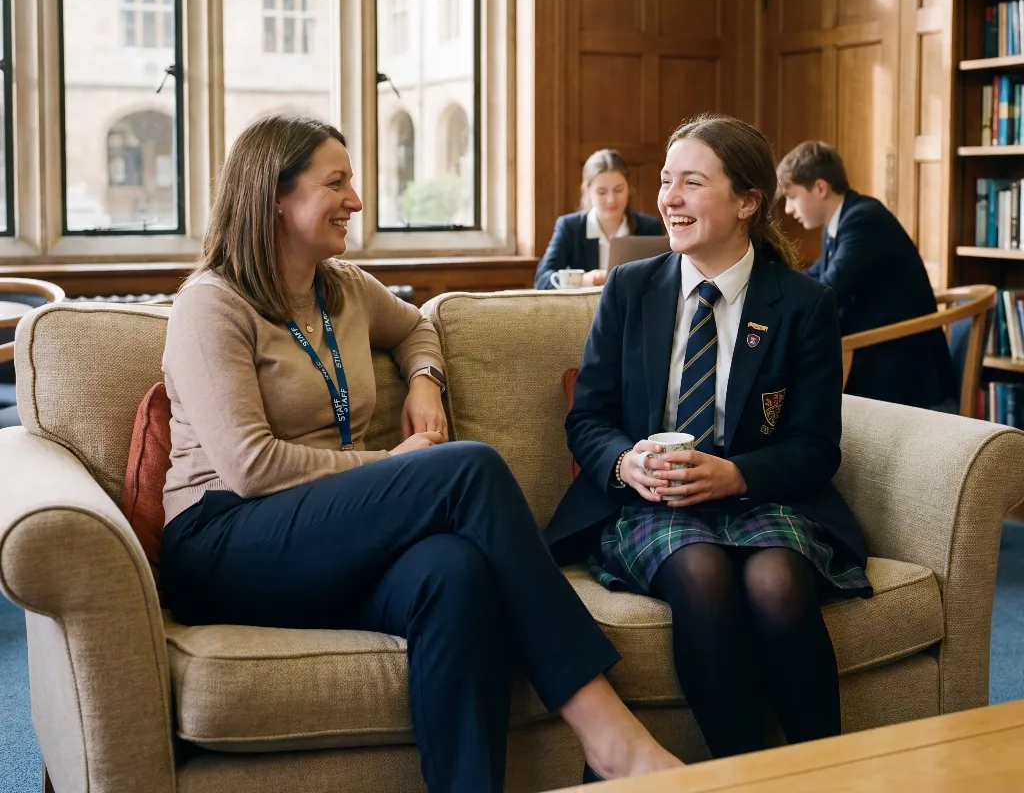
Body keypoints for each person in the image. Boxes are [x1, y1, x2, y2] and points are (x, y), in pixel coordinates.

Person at [158, 113, 680, 793]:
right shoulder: (212, 306)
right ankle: (609, 736)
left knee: (454, 570)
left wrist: (427, 382)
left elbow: (419, 327)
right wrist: (399, 465)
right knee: (468, 468)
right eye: (337, 183)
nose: (357, 200)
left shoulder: (340, 286)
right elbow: (250, 466)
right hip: (225, 535)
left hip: (324, 534)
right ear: (276, 197)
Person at [545, 115, 872, 761]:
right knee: (701, 572)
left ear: (748, 202)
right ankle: (738, 772)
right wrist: (625, 464)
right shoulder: (630, 291)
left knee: (777, 581)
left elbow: (814, 447)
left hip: (759, 499)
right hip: (652, 506)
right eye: (667, 181)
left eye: (692, 183)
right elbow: (588, 420)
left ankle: (826, 771)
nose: (668, 197)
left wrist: (738, 474)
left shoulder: (803, 305)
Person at [777, 140, 957, 410]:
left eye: (791, 196)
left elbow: (828, 289)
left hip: (900, 367)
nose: (789, 209)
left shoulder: (864, 220)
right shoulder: (839, 223)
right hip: (875, 354)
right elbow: (813, 277)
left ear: (820, 188)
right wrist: (776, 286)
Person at [535, 149, 663, 289]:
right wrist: (583, 280)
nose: (611, 199)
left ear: (628, 187)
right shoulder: (570, 227)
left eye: (618, 190)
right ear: (588, 191)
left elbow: (663, 277)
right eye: (602, 192)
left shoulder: (649, 227)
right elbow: (542, 279)